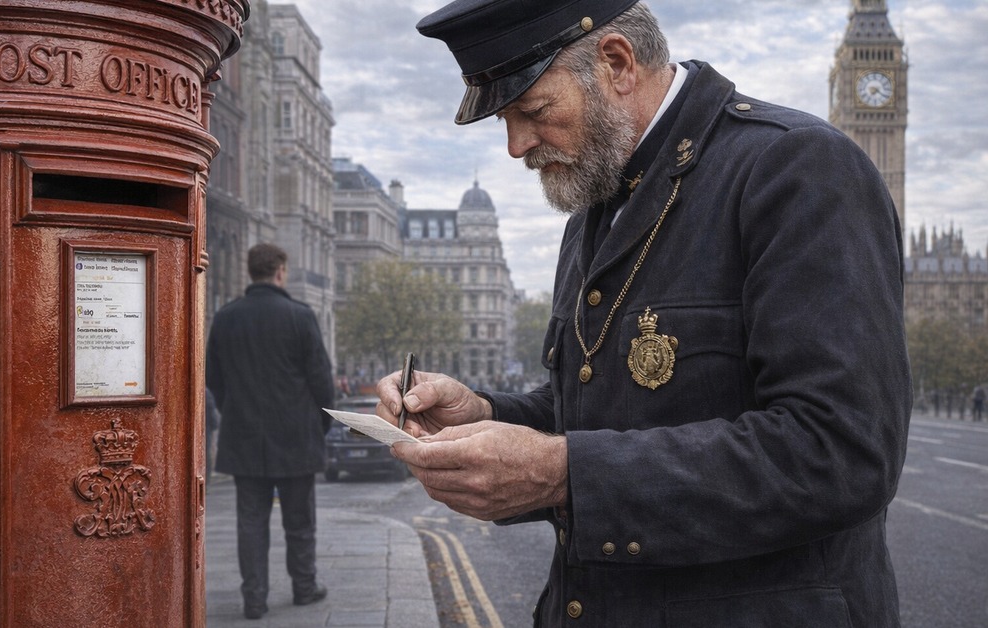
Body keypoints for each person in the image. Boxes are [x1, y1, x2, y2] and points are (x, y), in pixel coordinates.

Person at [375, 1, 911, 626]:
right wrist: (484, 413)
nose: (517, 146)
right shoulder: (592, 207)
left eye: (534, 111)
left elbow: (842, 451)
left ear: (617, 63)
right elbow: (598, 408)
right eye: (506, 122)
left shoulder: (798, 169)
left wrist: (563, 475)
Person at [206, 243, 334, 620]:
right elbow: (322, 382)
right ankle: (304, 587)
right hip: (296, 436)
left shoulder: (226, 317)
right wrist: (318, 425)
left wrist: (237, 412)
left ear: (250, 271)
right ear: (280, 271)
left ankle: (255, 600)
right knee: (300, 522)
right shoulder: (300, 316)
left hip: (244, 436)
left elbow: (214, 379)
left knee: (250, 523)